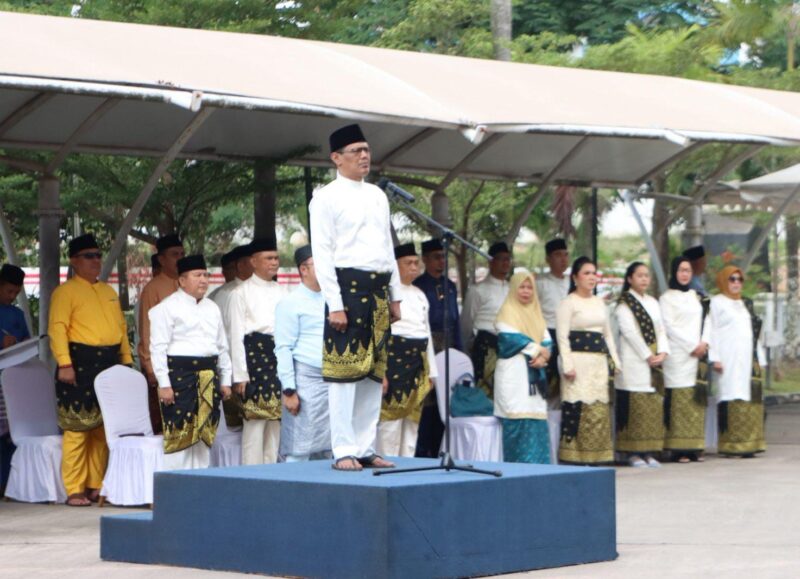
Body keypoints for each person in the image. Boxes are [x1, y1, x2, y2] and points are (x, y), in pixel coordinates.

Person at [309, 123, 400, 472]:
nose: (364, 156)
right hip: (347, 290)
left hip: (378, 290)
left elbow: (387, 248)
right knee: (344, 375)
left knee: (373, 375)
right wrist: (335, 304)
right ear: (336, 158)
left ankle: (364, 447)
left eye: (366, 150)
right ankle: (343, 449)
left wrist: (395, 296)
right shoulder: (325, 197)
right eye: (356, 151)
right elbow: (323, 254)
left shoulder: (377, 195)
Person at [49, 234, 133, 506]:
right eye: (89, 256)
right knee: (77, 428)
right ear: (74, 261)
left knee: (102, 429)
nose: (96, 261)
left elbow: (121, 328)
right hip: (78, 362)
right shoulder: (65, 292)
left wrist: (126, 361)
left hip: (109, 362)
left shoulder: (108, 292)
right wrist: (65, 363)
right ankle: (74, 489)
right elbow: (57, 329)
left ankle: (95, 485)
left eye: (98, 255)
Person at [149, 255, 232, 470]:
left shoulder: (212, 307)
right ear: (182, 280)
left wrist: (226, 380)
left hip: (208, 377)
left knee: (204, 438)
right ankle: (176, 487)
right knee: (180, 439)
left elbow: (222, 346)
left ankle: (199, 486)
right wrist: (164, 384)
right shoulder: (166, 308)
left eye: (205, 275)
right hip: (179, 378)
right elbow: (158, 349)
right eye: (197, 275)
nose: (203, 280)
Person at [556, 257, 620, 465]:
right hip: (578, 363)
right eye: (586, 273)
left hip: (598, 363)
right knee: (578, 406)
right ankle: (575, 458)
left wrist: (615, 361)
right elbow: (562, 336)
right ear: (575, 277)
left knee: (599, 408)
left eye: (594, 273)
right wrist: (567, 364)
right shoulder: (568, 303)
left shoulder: (600, 302)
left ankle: (598, 457)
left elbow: (607, 334)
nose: (592, 277)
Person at [376, 243, 438, 458]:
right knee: (390, 425)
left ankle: (407, 466)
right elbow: (378, 334)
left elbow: (427, 334)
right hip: (393, 362)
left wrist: (431, 372)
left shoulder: (420, 295)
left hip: (417, 363)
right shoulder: (385, 292)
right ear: (395, 265)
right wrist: (380, 373)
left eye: (416, 263)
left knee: (412, 424)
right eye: (408, 263)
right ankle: (386, 464)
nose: (414, 267)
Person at [229, 237, 286, 465]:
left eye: (276, 258)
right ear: (253, 261)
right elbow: (235, 337)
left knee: (275, 424)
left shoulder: (283, 291)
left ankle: (271, 476)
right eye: (269, 258)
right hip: (254, 361)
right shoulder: (240, 293)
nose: (274, 262)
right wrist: (240, 375)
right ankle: (250, 476)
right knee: (254, 426)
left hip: (278, 358)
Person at [275, 246, 331, 462]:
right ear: (303, 269)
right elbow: (283, 348)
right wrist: (289, 390)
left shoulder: (333, 299)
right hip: (305, 379)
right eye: (319, 264)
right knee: (299, 448)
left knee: (332, 450)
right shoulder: (290, 302)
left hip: (333, 379)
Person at [614, 262, 670, 468]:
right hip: (633, 361)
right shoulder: (624, 304)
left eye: (647, 275)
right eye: (639, 275)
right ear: (630, 279)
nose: (644, 279)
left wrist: (663, 352)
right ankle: (632, 453)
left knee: (651, 408)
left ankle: (648, 451)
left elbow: (661, 329)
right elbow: (629, 332)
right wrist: (647, 355)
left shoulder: (653, 302)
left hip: (654, 363)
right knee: (634, 407)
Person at [493, 272, 552, 464]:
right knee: (516, 422)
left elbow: (547, 339)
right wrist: (539, 351)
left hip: (535, 377)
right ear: (513, 289)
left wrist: (543, 357)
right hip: (514, 377)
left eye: (529, 288)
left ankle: (540, 471)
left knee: (536, 422)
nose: (526, 291)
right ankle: (516, 471)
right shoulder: (506, 312)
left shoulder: (537, 314)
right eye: (522, 287)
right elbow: (512, 338)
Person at [708, 265, 766, 458]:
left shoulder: (745, 303)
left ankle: (750, 444)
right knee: (731, 395)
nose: (736, 283)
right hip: (728, 358)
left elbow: (754, 334)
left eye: (739, 279)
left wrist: (760, 359)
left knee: (748, 396)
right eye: (732, 279)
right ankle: (731, 446)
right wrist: (715, 358)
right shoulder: (716, 302)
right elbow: (711, 330)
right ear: (724, 281)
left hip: (748, 359)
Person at [659, 256, 711, 463]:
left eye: (688, 270)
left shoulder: (696, 296)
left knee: (694, 401)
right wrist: (691, 346)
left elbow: (708, 319)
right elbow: (669, 326)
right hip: (678, 354)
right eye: (681, 270)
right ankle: (678, 449)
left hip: (698, 354)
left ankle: (694, 447)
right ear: (674, 272)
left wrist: (704, 343)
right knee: (679, 400)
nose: (684, 274)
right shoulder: (666, 298)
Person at [137, 234, 185, 435]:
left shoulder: (188, 286)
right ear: (161, 259)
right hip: (161, 365)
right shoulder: (153, 289)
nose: (180, 258)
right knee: (163, 423)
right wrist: (150, 367)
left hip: (186, 364)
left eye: (182, 254)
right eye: (174, 254)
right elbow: (146, 329)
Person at [460, 241, 511, 399]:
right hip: (486, 349)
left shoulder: (513, 289)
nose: (505, 263)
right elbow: (466, 323)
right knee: (486, 396)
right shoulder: (478, 290)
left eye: (508, 259)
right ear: (491, 262)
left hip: (510, 349)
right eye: (501, 259)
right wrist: (467, 349)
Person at [535, 238, 571, 462]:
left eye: (565, 254)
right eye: (558, 255)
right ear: (548, 259)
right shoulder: (541, 283)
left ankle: (566, 447)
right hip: (548, 337)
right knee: (548, 393)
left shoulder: (572, 283)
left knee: (567, 393)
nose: (563, 259)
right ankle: (546, 447)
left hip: (569, 339)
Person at [209, 245, 251, 429]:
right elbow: (223, 337)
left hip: (253, 368)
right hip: (233, 371)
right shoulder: (224, 294)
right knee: (236, 427)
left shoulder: (257, 291)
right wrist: (233, 375)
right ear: (241, 266)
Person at [0, 264, 30, 495]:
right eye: (9, 291)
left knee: (12, 431)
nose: (12, 296)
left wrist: (19, 344)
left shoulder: (17, 314)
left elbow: (26, 340)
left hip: (13, 378)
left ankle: (8, 482)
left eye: (16, 293)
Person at [414, 238, 462, 353]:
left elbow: (456, 318)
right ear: (425, 259)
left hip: (450, 339)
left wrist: (459, 346)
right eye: (437, 257)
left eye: (443, 256)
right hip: (428, 340)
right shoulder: (418, 286)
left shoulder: (450, 285)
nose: (442, 261)